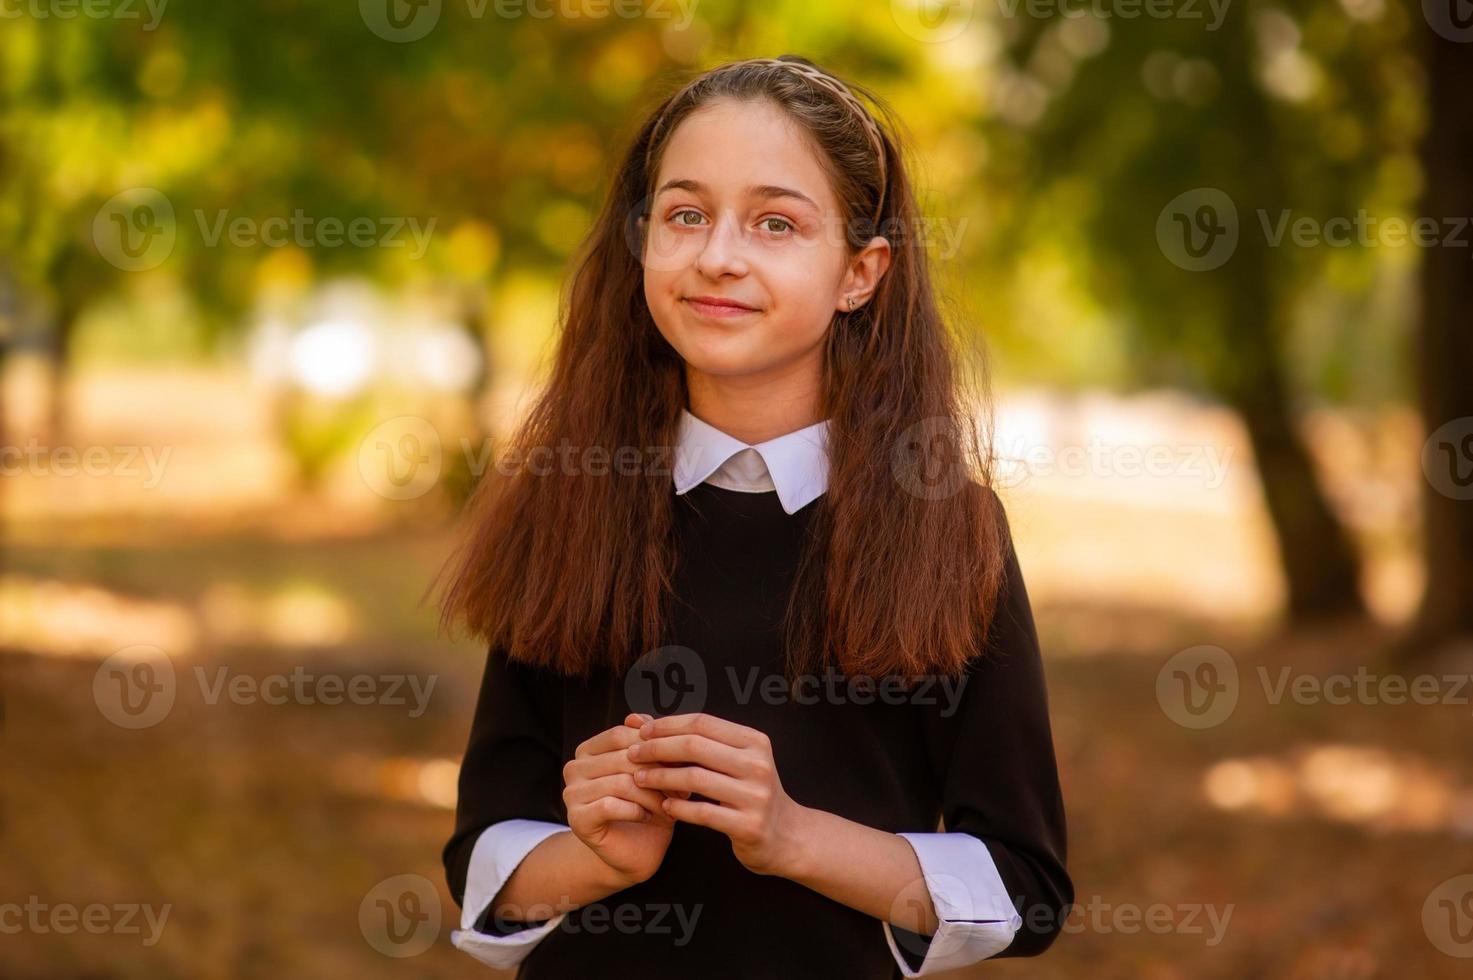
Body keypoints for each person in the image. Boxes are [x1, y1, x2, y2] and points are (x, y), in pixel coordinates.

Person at [435, 54, 1072, 979]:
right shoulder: (564, 502)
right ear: (642, 240)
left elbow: (1025, 887)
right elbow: (482, 863)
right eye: (685, 214)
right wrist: (597, 859)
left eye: (775, 223)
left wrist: (793, 837)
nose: (717, 255)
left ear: (861, 271)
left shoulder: (952, 533)